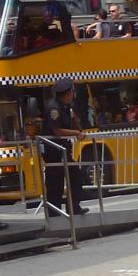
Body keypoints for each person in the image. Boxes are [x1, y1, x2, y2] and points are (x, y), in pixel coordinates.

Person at [42, 79, 88, 217]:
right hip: (53, 150)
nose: (73, 94)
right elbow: (57, 131)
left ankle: (73, 207)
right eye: (72, 92)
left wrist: (76, 122)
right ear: (68, 93)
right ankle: (54, 212)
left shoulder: (66, 106)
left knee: (75, 176)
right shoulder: (54, 108)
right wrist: (76, 133)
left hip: (62, 149)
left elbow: (73, 123)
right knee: (55, 181)